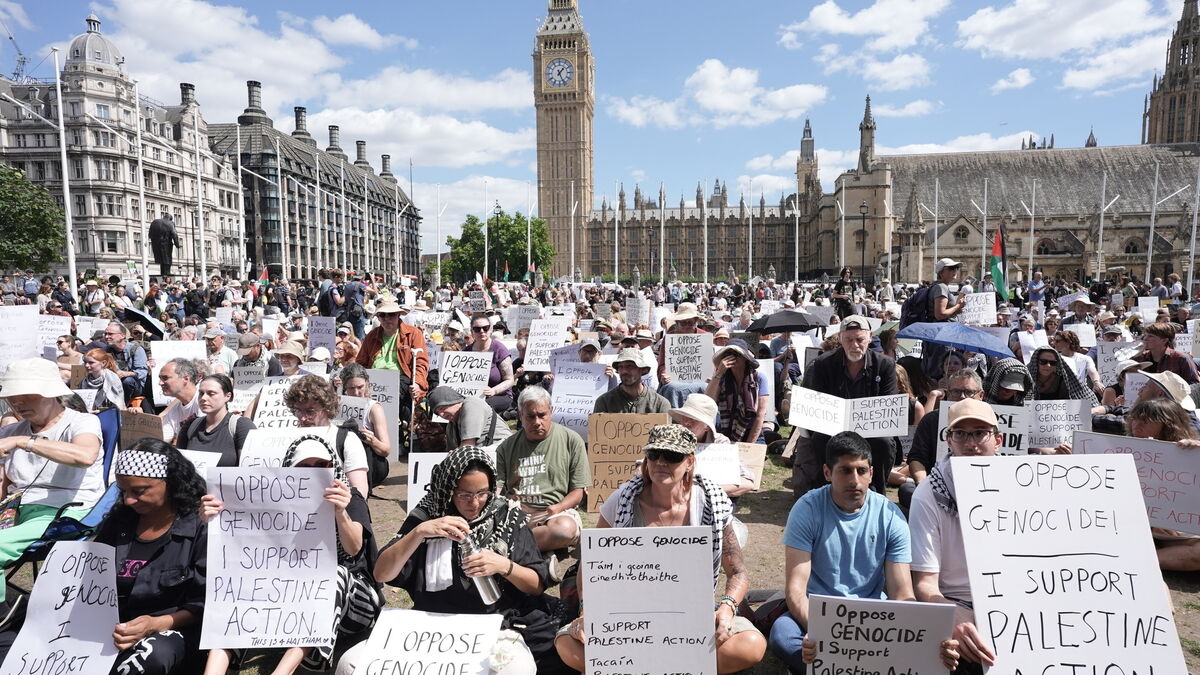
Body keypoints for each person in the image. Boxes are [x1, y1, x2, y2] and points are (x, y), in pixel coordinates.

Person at [555, 425, 766, 674]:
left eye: (672, 456)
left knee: (751, 645)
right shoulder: (622, 501)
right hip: (627, 618)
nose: (661, 463)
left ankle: (651, 665)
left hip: (693, 617)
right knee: (567, 644)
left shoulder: (711, 502)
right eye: (654, 455)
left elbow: (738, 572)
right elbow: (590, 564)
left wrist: (726, 608)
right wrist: (586, 611)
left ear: (689, 462)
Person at [352, 448, 561, 672]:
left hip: (493, 625)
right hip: (432, 628)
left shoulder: (506, 516)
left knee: (515, 669)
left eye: (482, 493)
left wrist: (503, 565)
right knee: (350, 663)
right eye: (464, 494)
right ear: (448, 489)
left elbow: (536, 584)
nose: (475, 502)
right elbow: (382, 574)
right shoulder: (428, 515)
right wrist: (419, 533)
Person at [770, 432, 954, 673]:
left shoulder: (890, 516)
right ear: (827, 473)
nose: (854, 480)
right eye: (845, 470)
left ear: (872, 473)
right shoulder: (806, 509)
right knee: (782, 636)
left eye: (861, 471)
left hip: (871, 622)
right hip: (818, 615)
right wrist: (822, 633)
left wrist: (925, 640)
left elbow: (902, 594)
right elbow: (795, 591)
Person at [203, 433, 380, 674]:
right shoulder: (271, 500)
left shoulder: (350, 497)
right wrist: (212, 517)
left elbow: (354, 548)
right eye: (304, 466)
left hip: (353, 602)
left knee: (332, 575)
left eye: (321, 465)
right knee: (237, 580)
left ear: (332, 466)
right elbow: (240, 548)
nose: (313, 471)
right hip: (292, 597)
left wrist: (341, 513)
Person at [0, 359, 104, 609]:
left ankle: (2, 619)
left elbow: (85, 456)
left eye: (27, 395)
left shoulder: (82, 422)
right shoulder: (10, 429)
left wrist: (24, 442)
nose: (18, 403)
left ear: (52, 393)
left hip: (66, 512)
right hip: (16, 508)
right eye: (13, 397)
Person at [95, 439, 206, 675]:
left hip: (172, 630)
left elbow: (203, 605)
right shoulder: (120, 521)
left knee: (149, 658)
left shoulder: (200, 527)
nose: (128, 500)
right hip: (114, 626)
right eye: (123, 491)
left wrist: (154, 625)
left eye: (139, 491)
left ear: (171, 483)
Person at [910, 398, 1003, 674]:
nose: (970, 443)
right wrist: (954, 614)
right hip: (955, 603)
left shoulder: (1021, 484)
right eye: (960, 434)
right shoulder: (927, 495)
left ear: (998, 440)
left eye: (979, 433)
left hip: (1011, 604)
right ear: (948, 441)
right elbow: (925, 585)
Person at [799, 315, 897, 494]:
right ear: (840, 339)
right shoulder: (822, 364)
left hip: (872, 427)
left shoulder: (885, 365)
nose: (855, 345)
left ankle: (876, 490)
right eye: (849, 340)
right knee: (819, 437)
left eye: (860, 339)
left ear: (870, 337)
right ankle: (827, 488)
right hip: (832, 425)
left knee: (884, 442)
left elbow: (888, 403)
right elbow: (816, 401)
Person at [494, 386, 589, 555]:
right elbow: (497, 489)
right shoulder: (506, 447)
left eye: (542, 415)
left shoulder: (572, 440)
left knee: (564, 530)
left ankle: (513, 546)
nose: (537, 422)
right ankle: (538, 553)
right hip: (517, 514)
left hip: (554, 514)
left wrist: (559, 507)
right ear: (520, 416)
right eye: (530, 416)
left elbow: (578, 492)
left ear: (551, 412)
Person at [1124, 398, 1200, 572]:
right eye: (1135, 418)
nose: (1137, 425)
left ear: (1168, 424)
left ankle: (1139, 558)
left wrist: (1197, 452)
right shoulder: (1120, 449)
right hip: (1146, 525)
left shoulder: (1188, 450)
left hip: (1185, 527)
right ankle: (1134, 560)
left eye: (1146, 421)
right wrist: (1152, 520)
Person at [355, 296, 428, 454]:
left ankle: (394, 440)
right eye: (383, 315)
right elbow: (360, 363)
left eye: (392, 314)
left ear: (398, 315)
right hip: (373, 378)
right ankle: (389, 440)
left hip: (401, 378)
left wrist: (419, 385)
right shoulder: (372, 336)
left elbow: (421, 363)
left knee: (395, 394)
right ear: (378, 317)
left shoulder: (413, 334)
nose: (387, 319)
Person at [176, 374, 256, 466]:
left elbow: (250, 470)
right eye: (201, 393)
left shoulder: (242, 426)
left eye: (211, 394)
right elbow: (178, 466)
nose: (203, 398)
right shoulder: (190, 426)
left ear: (227, 396)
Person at [705, 338, 770, 443]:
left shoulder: (759, 378)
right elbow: (707, 401)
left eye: (737, 354)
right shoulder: (721, 378)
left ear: (745, 358)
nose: (732, 357)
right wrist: (718, 374)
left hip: (751, 432)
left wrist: (748, 445)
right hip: (725, 431)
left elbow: (760, 415)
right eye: (728, 354)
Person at [656, 303, 711, 407]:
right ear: (677, 323)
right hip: (675, 379)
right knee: (672, 388)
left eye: (690, 323)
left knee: (705, 387)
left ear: (696, 322)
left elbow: (711, 363)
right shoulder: (669, 338)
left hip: (700, 379)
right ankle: (673, 420)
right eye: (683, 323)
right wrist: (664, 375)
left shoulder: (704, 336)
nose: (686, 326)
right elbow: (662, 364)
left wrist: (711, 375)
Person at [427, 385, 512, 450]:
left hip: (503, 450)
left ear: (453, 401)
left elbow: (467, 446)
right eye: (438, 413)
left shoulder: (472, 404)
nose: (441, 414)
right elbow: (452, 451)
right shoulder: (451, 426)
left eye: (442, 408)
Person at [923, 259, 967, 381]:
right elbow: (940, 314)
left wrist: (957, 309)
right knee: (941, 369)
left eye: (956, 268)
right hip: (942, 335)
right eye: (951, 269)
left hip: (941, 333)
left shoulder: (941, 287)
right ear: (941, 272)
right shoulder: (941, 287)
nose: (955, 271)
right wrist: (958, 306)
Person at [592, 348, 670, 414]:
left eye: (630, 366)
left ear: (642, 370)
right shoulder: (604, 402)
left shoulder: (660, 404)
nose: (624, 371)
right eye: (621, 367)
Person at [465, 313, 516, 414]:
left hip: (500, 395)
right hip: (473, 396)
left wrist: (493, 391)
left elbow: (510, 380)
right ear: (472, 332)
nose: (482, 331)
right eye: (477, 329)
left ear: (491, 329)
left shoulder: (499, 349)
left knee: (481, 407)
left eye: (485, 328)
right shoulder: (466, 352)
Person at [1027, 346, 1098, 404]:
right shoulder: (1025, 378)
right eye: (1043, 362)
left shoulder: (1064, 379)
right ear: (1036, 362)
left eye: (1052, 363)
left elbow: (1088, 399)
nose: (1048, 365)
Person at [153, 358, 201, 444]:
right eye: (160, 378)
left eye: (165, 378)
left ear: (186, 379)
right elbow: (160, 440)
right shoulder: (174, 411)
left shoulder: (204, 402)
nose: (160, 383)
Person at [1134, 322, 1200, 384]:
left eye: (1150, 336)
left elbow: (1194, 383)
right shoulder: (1140, 358)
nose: (1145, 338)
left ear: (1164, 340)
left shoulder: (1181, 358)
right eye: (1145, 335)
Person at [105, 321, 148, 404]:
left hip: (135, 385)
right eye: (105, 334)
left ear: (122, 336)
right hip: (114, 382)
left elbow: (142, 372)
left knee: (128, 381)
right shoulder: (106, 350)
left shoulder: (136, 349)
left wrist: (125, 374)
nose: (106, 337)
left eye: (110, 334)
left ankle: (123, 404)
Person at [1052, 329, 1103, 398]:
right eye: (1054, 340)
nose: (1054, 343)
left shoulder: (1085, 359)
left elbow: (1092, 371)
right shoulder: (1053, 359)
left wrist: (1096, 382)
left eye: (1058, 341)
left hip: (1080, 394)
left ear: (1068, 342)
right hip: (1059, 395)